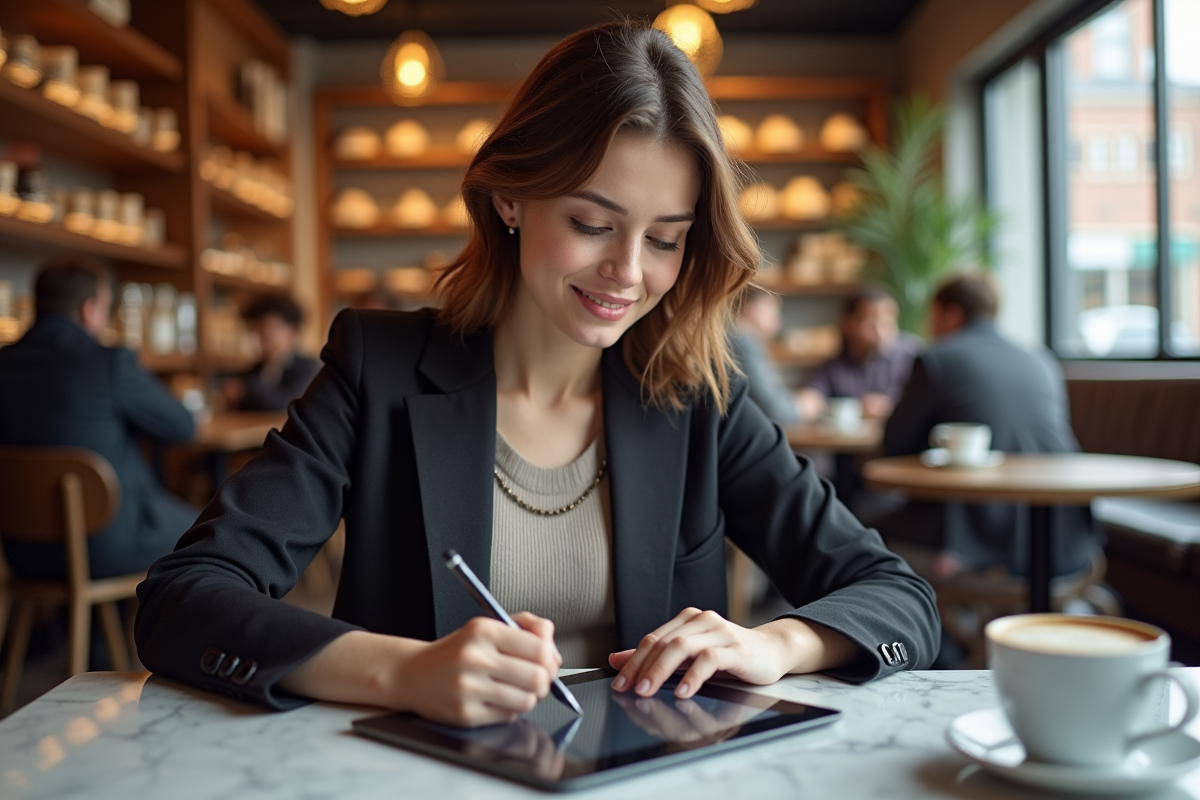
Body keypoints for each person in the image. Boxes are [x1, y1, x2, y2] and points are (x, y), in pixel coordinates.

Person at [135, 20, 939, 727]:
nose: (626, 272)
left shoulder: (700, 396)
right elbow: (184, 598)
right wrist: (403, 670)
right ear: (512, 197)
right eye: (592, 223)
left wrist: (774, 643)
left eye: (665, 238)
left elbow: (898, 595)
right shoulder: (376, 369)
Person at [879, 272, 1098, 579]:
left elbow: (894, 445)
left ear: (951, 314)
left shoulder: (937, 358)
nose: (930, 327)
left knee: (865, 522)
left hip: (979, 542)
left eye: (933, 316)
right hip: (1067, 536)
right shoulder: (1041, 359)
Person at [0, 255, 197, 579]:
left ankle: (89, 630)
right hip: (105, 547)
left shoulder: (4, 363)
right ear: (90, 309)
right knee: (209, 528)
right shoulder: (109, 363)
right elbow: (183, 427)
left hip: (20, 551)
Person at [798, 287, 919, 421]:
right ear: (848, 324)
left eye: (888, 323)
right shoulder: (832, 367)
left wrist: (892, 405)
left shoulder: (914, 356)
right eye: (871, 324)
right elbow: (811, 397)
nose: (880, 333)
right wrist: (857, 407)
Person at [219, 294, 320, 412]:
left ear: (292, 332)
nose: (261, 341)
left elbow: (291, 407)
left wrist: (247, 390)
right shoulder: (252, 371)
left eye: (267, 335)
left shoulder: (310, 369)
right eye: (257, 333)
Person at [728, 286, 802, 426]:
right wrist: (802, 407)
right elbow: (775, 410)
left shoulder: (744, 340)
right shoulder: (743, 342)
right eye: (770, 307)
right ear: (748, 308)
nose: (777, 315)